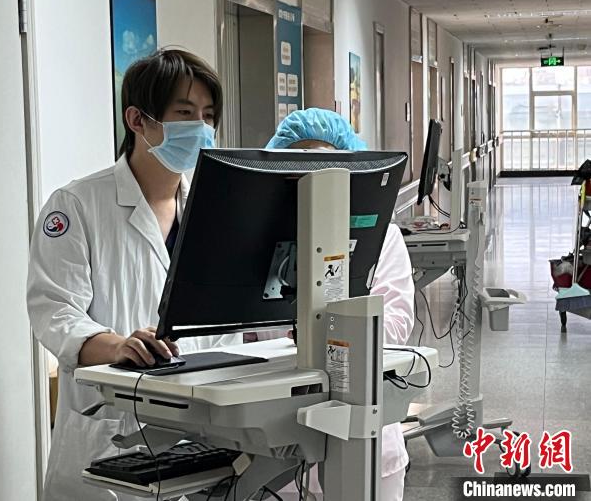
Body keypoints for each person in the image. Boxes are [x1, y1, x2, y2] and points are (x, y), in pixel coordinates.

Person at [27, 49, 240, 500]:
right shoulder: (77, 205)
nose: (201, 127)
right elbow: (54, 311)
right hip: (107, 437)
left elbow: (224, 327)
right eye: (185, 113)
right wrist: (119, 347)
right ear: (137, 120)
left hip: (198, 436)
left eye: (208, 116)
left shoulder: (213, 210)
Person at [263, 108, 415, 501]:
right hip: (275, 448)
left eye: (326, 171)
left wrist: (326, 329)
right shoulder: (258, 243)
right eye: (300, 171)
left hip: (365, 444)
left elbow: (395, 325)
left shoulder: (382, 237)